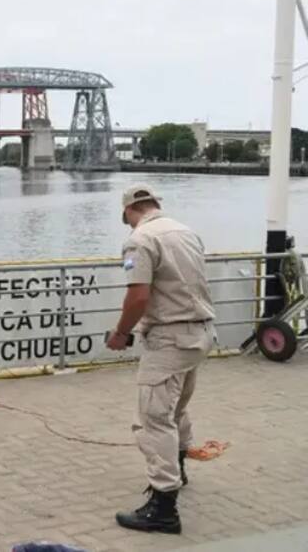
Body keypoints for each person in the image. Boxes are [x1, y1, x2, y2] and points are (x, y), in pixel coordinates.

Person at [106, 184, 215, 535]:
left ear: (128, 211)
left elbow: (138, 296)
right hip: (200, 333)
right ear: (154, 203)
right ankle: (178, 469)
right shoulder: (186, 232)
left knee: (152, 420)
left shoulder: (138, 241)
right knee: (176, 408)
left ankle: (163, 507)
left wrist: (121, 333)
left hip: (169, 338)